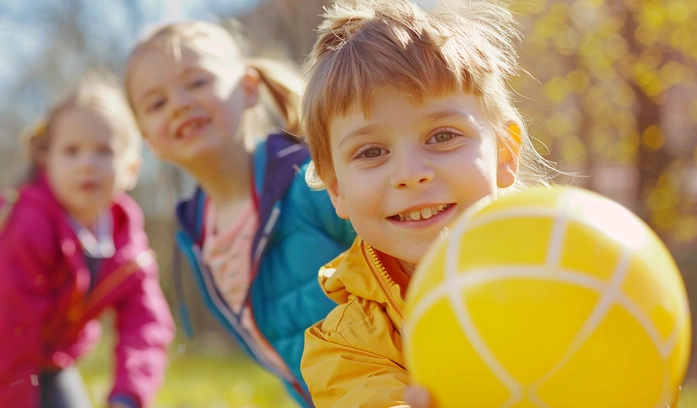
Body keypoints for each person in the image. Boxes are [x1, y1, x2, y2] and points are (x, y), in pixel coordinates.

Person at [298, 0, 558, 406]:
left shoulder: (565, 267)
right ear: (337, 191)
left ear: (505, 153)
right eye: (370, 151)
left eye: (442, 136)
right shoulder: (348, 344)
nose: (410, 173)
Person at [124, 21, 355, 407]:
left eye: (197, 82)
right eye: (157, 103)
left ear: (248, 89)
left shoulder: (311, 181)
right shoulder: (197, 239)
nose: (180, 103)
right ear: (150, 143)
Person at [0, 75, 175, 408]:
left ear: (131, 167)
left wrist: (129, 395)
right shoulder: (27, 224)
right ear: (45, 161)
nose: (87, 164)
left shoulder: (127, 244)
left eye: (103, 151)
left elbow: (146, 322)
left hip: (50, 363)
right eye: (71, 151)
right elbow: (9, 329)